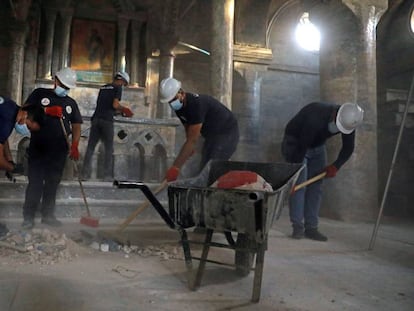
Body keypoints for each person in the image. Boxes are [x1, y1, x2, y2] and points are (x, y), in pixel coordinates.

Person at [281, 102, 364, 241]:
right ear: (334, 114)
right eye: (338, 125)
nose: (338, 129)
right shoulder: (315, 116)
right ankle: (297, 227)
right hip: (296, 143)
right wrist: (296, 171)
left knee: (316, 186)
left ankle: (311, 228)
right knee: (300, 185)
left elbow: (348, 147)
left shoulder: (349, 121)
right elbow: (302, 146)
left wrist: (336, 166)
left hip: (318, 146)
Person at [20, 67, 83, 230]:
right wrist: (46, 110)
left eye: (67, 87)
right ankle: (28, 217)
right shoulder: (40, 94)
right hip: (38, 149)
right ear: (55, 80)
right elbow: (24, 111)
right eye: (63, 84)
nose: (65, 89)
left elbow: (76, 125)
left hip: (59, 151)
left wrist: (75, 144)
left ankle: (47, 216)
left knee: (52, 184)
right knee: (35, 184)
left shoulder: (71, 103)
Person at [159, 77, 239, 182]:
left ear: (182, 93)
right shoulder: (180, 107)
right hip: (212, 136)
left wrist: (175, 168)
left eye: (174, 99)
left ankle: (214, 193)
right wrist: (189, 149)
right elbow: (188, 129)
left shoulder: (196, 105)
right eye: (169, 102)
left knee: (211, 168)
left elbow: (192, 140)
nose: (172, 104)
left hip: (227, 134)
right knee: (204, 168)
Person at [0, 95, 45, 235]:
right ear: (25, 115)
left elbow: (2, 138)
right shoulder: (7, 120)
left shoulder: (11, 108)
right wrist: (13, 168)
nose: (28, 131)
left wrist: (9, 159)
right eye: (29, 127)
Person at [81, 71, 133, 181]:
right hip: (106, 121)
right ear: (122, 80)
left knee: (91, 147)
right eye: (124, 83)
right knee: (108, 148)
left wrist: (117, 111)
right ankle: (107, 176)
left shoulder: (103, 88)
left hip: (96, 119)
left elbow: (104, 106)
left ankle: (85, 174)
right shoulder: (117, 88)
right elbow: (115, 104)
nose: (123, 85)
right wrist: (124, 109)